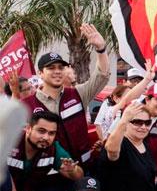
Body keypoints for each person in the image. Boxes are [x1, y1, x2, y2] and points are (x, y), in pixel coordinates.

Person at [22, 23, 111, 163]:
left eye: (61, 67)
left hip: (83, 168)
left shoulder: (78, 94)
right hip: (46, 173)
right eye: (51, 68)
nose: (57, 71)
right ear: (40, 73)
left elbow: (102, 75)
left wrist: (101, 49)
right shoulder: (26, 105)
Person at [99, 103, 157, 191]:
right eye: (137, 122)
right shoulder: (121, 143)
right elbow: (111, 150)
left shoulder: (144, 144)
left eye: (147, 123)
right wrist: (123, 120)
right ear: (126, 124)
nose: (143, 127)